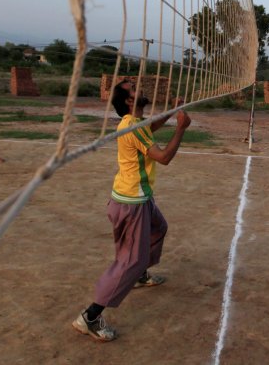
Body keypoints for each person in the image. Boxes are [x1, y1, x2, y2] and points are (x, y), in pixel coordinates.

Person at [72, 79, 191, 343]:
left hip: (138, 197)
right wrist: (181, 128)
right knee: (129, 260)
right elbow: (164, 157)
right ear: (128, 101)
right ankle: (90, 316)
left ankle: (141, 273)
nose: (140, 88)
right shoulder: (130, 126)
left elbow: (150, 127)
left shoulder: (135, 124)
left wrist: (172, 112)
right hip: (131, 202)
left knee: (159, 228)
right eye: (134, 88)